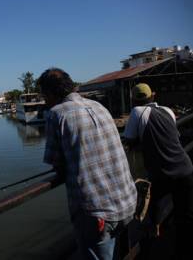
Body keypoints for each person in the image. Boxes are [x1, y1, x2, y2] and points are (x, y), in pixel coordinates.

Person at [38, 68, 137, 260]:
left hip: (98, 214)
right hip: (127, 202)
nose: (44, 101)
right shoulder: (98, 106)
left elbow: (55, 162)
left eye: (44, 96)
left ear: (50, 93)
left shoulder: (56, 114)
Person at [124, 83, 193, 259]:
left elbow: (129, 139)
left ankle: (150, 243)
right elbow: (174, 136)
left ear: (133, 100)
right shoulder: (168, 110)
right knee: (184, 216)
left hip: (162, 173)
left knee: (150, 209)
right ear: (153, 96)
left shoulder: (137, 112)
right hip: (185, 168)